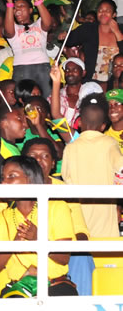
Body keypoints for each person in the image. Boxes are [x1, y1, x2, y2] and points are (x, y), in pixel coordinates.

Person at [0, 156, 77, 297]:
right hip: (19, 288)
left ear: (30, 179)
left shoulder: (57, 207)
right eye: (3, 178)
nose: (4, 183)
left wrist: (38, 238)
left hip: (55, 285)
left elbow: (64, 258)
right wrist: (14, 245)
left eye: (12, 176)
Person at [61, 93, 123, 238]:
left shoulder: (71, 147)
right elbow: (121, 167)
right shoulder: (110, 143)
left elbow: (66, 179)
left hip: (79, 219)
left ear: (80, 122)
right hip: (105, 218)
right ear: (103, 126)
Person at [2, 0, 53, 98]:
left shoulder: (38, 23)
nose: (17, 9)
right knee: (23, 101)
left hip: (42, 67)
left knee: (46, 99)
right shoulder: (14, 27)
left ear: (30, 10)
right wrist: (9, 4)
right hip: (22, 68)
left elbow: (48, 23)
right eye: (15, 8)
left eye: (21, 6)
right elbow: (9, 32)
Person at [64, 0, 123, 85]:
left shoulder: (121, 29)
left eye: (107, 11)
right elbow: (69, 40)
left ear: (114, 15)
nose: (103, 13)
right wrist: (65, 35)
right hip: (91, 81)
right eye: (100, 10)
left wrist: (117, 32)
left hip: (116, 82)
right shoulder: (88, 29)